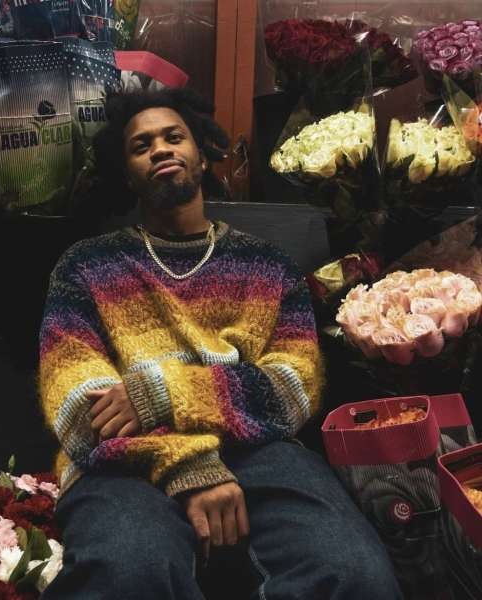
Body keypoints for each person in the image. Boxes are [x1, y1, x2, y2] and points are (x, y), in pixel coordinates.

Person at [39, 88, 402, 599]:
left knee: (354, 572)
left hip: (259, 450)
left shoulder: (268, 266)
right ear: (127, 174)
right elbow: (80, 408)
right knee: (129, 572)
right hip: (122, 461)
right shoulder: (86, 266)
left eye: (174, 137)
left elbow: (294, 386)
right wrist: (189, 465)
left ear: (202, 154)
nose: (160, 149)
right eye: (142, 145)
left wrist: (163, 393)